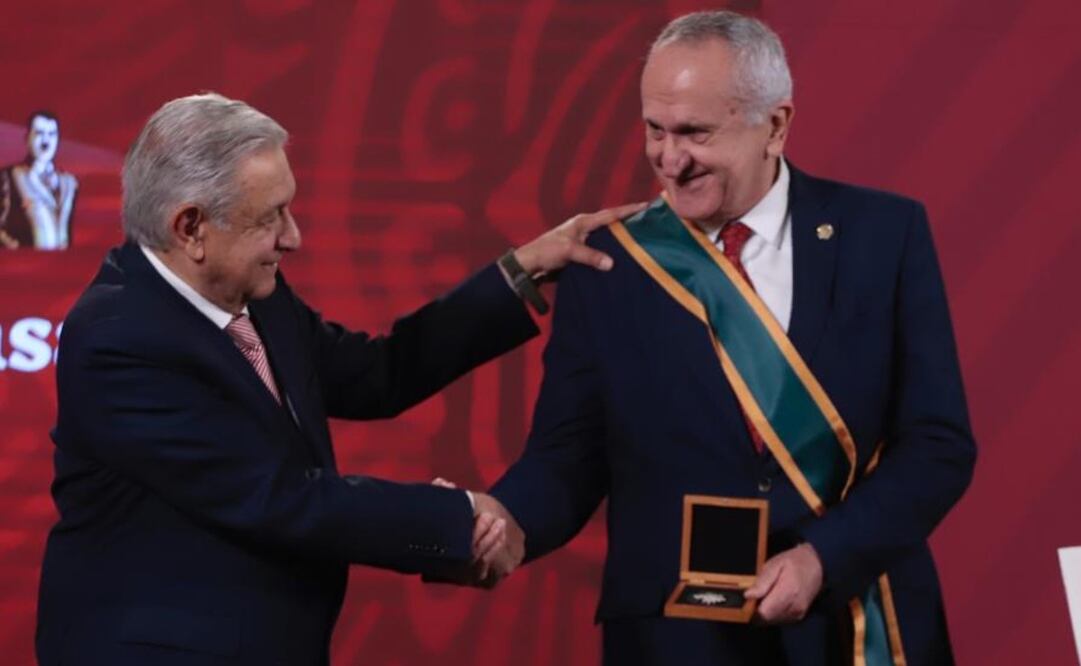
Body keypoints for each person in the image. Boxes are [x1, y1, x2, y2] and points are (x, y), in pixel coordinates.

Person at [35, 92, 642, 665]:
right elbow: (279, 499)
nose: (293, 237)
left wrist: (520, 270)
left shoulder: (254, 292)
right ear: (191, 228)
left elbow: (378, 373)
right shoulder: (118, 339)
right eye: (271, 217)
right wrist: (455, 521)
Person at [472, 10, 976, 666]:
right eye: (654, 130)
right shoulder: (609, 263)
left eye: (695, 132)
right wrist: (500, 521)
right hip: (674, 638)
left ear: (775, 125)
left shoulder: (883, 236)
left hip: (853, 623)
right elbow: (566, 457)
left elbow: (937, 443)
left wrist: (824, 559)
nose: (669, 159)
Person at [0, 110, 78, 250]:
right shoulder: (10, 176)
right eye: (39, 133)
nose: (46, 141)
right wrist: (16, 249)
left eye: (52, 134)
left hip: (63, 262)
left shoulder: (69, 183)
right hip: (25, 261)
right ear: (27, 138)